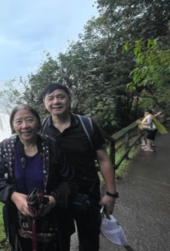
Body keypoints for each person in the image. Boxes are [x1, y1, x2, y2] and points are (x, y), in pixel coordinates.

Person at [40, 83, 117, 251]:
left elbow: (103, 159)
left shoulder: (87, 125)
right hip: (57, 198)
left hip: (88, 194)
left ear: (69, 99)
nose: (56, 102)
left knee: (89, 241)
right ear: (45, 103)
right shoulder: (41, 129)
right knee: (59, 243)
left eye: (61, 97)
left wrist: (111, 193)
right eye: (50, 98)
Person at [0, 104, 76, 251]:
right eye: (19, 122)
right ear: (12, 126)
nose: (25, 126)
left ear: (38, 122)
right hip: (21, 227)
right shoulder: (7, 149)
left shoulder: (52, 146)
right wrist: (13, 196)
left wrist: (53, 200)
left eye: (29, 120)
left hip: (54, 224)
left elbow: (70, 181)